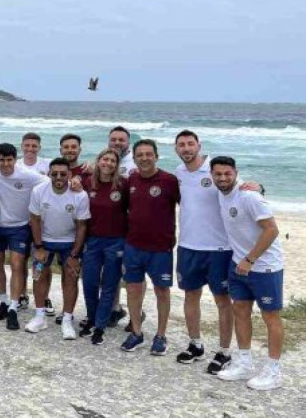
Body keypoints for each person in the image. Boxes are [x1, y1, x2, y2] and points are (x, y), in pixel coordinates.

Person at [211, 156, 285, 391]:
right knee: (240, 311)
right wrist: (242, 261)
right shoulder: (221, 194)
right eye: (218, 174)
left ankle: (274, 371)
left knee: (270, 317)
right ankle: (244, 363)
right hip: (238, 265)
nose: (223, 178)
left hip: (265, 267)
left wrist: (250, 259)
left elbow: (272, 230)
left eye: (227, 174)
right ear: (212, 176)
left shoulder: (249, 196)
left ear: (236, 173)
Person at [173, 130, 234, 373]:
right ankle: (195, 344)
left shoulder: (215, 169)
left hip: (219, 248)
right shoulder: (178, 172)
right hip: (188, 245)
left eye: (190, 144)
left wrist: (258, 187)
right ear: (176, 149)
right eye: (181, 145)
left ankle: (224, 352)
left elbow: (237, 187)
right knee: (191, 296)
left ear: (199, 145)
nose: (186, 148)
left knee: (222, 300)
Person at [120, 139, 180, 355]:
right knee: (133, 289)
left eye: (148, 154)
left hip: (161, 248)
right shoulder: (131, 179)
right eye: (140, 155)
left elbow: (190, 204)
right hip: (133, 246)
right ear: (134, 158)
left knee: (162, 291)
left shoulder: (169, 180)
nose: (144, 158)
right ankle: (136, 332)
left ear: (156, 156)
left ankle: (161, 336)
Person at [0, 143, 48, 331]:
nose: (5, 164)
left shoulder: (27, 175)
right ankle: (3, 302)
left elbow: (49, 183)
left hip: (20, 227)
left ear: (15, 159)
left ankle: (13, 306)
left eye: (9, 160)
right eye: (2, 160)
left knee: (17, 264)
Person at [27, 158, 90, 340]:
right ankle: (40, 316)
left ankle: (67, 319)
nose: (59, 177)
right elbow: (35, 220)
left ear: (70, 174)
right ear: (49, 174)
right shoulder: (39, 191)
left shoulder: (80, 195)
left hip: (69, 242)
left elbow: (82, 227)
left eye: (63, 174)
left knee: (70, 276)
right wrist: (39, 247)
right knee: (38, 275)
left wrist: (74, 254)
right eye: (54, 174)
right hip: (45, 240)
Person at [80, 149, 128, 345]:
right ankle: (92, 318)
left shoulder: (123, 184)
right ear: (98, 161)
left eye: (112, 161)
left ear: (117, 165)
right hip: (92, 240)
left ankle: (100, 326)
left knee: (109, 285)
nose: (108, 163)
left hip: (116, 241)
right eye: (104, 159)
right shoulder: (87, 183)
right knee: (89, 282)